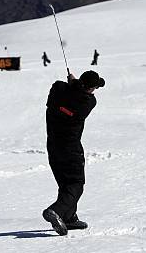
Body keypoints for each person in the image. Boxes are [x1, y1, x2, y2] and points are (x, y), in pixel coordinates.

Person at [42, 70, 105, 236]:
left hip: (53, 147)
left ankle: (68, 217)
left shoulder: (58, 90)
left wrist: (73, 84)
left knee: (65, 184)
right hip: (70, 149)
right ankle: (55, 210)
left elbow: (63, 89)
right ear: (90, 89)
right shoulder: (87, 102)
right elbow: (81, 96)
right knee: (76, 184)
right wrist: (75, 84)